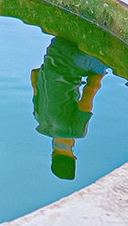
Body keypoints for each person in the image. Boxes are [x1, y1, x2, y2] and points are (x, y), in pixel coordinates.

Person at [30, 37, 109, 180]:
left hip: (73, 57)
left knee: (103, 66)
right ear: (53, 153)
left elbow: (92, 87)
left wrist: (102, 72)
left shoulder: (77, 130)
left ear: (74, 156)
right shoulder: (39, 120)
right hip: (53, 50)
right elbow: (35, 74)